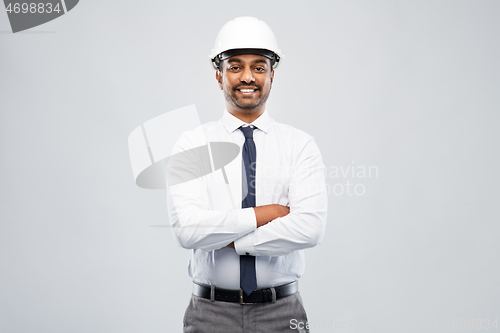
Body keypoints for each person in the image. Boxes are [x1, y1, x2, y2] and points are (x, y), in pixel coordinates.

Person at [166, 16, 328, 333]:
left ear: (271, 75)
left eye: (259, 66)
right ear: (219, 75)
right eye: (235, 66)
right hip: (210, 315)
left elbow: (310, 229)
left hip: (282, 314)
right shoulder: (192, 144)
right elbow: (187, 230)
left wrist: (229, 238)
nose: (247, 77)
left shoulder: (300, 146)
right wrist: (268, 213)